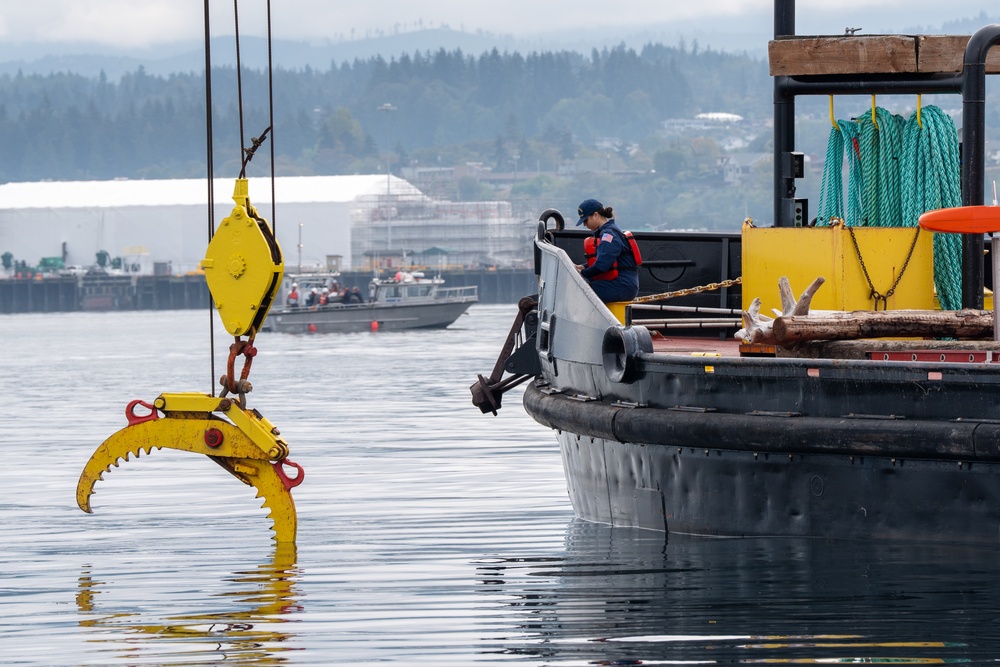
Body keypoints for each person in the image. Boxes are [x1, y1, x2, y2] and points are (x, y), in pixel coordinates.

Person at [574, 198, 640, 303]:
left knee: (578, 292)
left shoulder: (608, 235)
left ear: (595, 215)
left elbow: (602, 265)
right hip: (624, 285)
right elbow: (609, 260)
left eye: (586, 220)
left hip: (621, 285)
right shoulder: (608, 232)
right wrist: (583, 267)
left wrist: (582, 273)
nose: (585, 225)